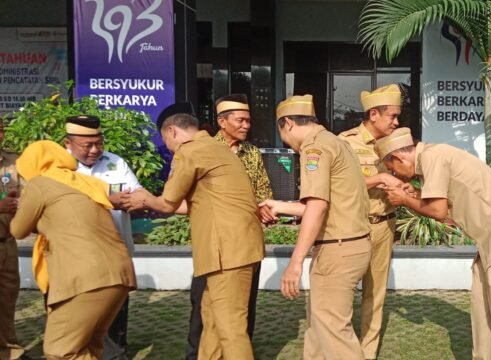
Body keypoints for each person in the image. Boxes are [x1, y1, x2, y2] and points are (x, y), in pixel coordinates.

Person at [377, 128, 491, 359]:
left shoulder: (432, 157)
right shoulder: (433, 156)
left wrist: (405, 200)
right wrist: (415, 193)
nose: (395, 175)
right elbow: (447, 199)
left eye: (392, 169)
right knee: (482, 311)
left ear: (399, 157)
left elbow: (438, 211)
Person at [125, 103, 265, 359]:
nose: (169, 147)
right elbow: (200, 203)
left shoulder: (190, 151)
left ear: (172, 131)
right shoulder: (216, 147)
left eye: (166, 141)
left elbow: (168, 203)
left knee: (230, 327)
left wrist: (143, 198)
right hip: (238, 247)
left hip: (227, 251)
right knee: (211, 320)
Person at [259, 95, 372, 359]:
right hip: (350, 245)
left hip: (337, 250)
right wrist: (280, 206)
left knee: (334, 333)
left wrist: (295, 262)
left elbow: (318, 207)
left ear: (287, 123)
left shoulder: (314, 148)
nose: (284, 140)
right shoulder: (336, 142)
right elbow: (324, 204)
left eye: (281, 132)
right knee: (318, 330)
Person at [10, 140, 136, 359]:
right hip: (119, 272)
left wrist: (23, 208)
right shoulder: (84, 181)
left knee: (60, 350)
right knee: (89, 346)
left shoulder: (39, 183)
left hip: (85, 278)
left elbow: (18, 229)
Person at [184, 94, 273, 359]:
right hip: (214, 243)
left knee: (243, 307)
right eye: (240, 120)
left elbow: (263, 191)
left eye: (248, 120)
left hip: (245, 241)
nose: (246, 125)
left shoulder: (252, 153)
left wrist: (264, 208)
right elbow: (186, 195)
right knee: (204, 305)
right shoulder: (202, 150)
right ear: (222, 122)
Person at [63, 115, 142, 360]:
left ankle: (116, 353)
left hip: (115, 253)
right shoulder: (59, 168)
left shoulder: (115, 162)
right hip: (77, 255)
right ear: (68, 143)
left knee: (115, 310)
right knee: (81, 313)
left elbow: (137, 195)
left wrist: (130, 200)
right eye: (87, 145)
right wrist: (108, 200)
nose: (95, 150)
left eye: (99, 143)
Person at [337, 84, 403, 359]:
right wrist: (379, 178)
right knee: (342, 292)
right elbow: (340, 184)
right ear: (373, 114)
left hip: (384, 225)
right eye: (392, 116)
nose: (396, 122)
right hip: (354, 227)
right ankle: (341, 348)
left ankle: (368, 351)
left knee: (375, 294)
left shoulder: (395, 143)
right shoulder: (346, 142)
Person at [0, 120, 25, 360]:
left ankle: (9, 350)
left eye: (0, 129)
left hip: (7, 242)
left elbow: (30, 194)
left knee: (7, 299)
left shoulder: (14, 162)